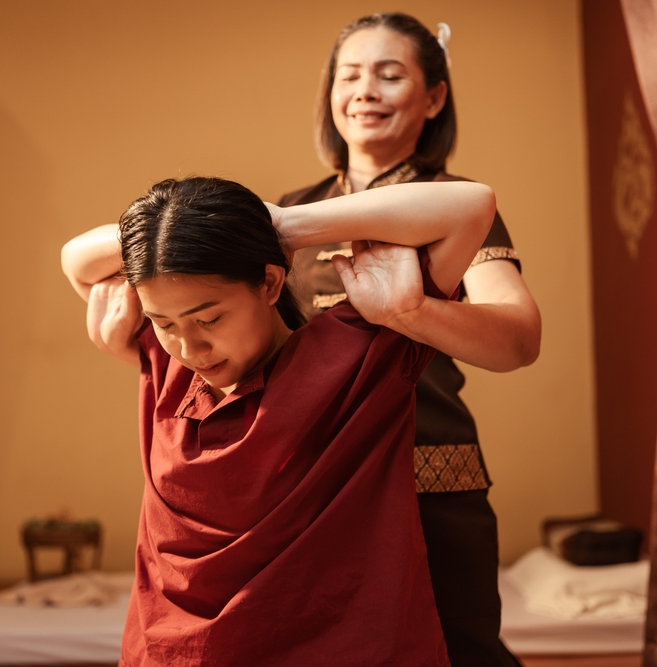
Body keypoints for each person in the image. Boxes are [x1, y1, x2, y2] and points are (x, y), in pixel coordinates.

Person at [62, 176, 496, 666]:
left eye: (209, 320)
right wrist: (169, 231)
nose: (189, 347)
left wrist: (282, 226)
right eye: (165, 324)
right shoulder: (171, 370)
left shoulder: (356, 355)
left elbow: (469, 206)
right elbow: (75, 259)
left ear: (269, 283)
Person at [277, 13, 541, 667]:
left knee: (458, 650)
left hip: (432, 474)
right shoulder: (291, 212)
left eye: (390, 75)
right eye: (351, 75)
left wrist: (408, 310)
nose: (365, 91)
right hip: (318, 486)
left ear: (434, 98)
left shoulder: (460, 202)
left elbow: (518, 338)